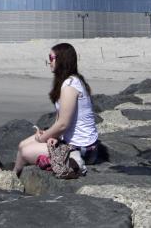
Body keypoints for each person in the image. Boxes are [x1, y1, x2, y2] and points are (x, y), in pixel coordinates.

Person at [14, 42, 100, 177]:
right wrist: (51, 135)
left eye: (51, 58)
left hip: (82, 149)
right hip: (69, 141)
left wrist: (44, 138)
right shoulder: (67, 81)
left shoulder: (70, 85)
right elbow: (60, 120)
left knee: (25, 152)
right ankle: (15, 175)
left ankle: (13, 179)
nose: (49, 62)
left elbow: (63, 124)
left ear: (62, 60)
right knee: (21, 145)